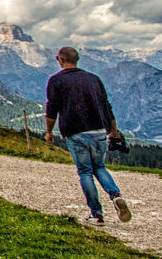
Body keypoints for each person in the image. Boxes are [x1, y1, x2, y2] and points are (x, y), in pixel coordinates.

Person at [45, 46, 131, 226]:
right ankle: (115, 195)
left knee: (85, 172)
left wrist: (49, 131)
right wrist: (113, 131)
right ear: (77, 59)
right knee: (100, 166)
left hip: (76, 132)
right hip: (100, 130)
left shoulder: (56, 81)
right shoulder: (94, 79)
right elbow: (107, 106)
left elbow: (52, 109)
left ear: (61, 60)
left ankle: (97, 214)